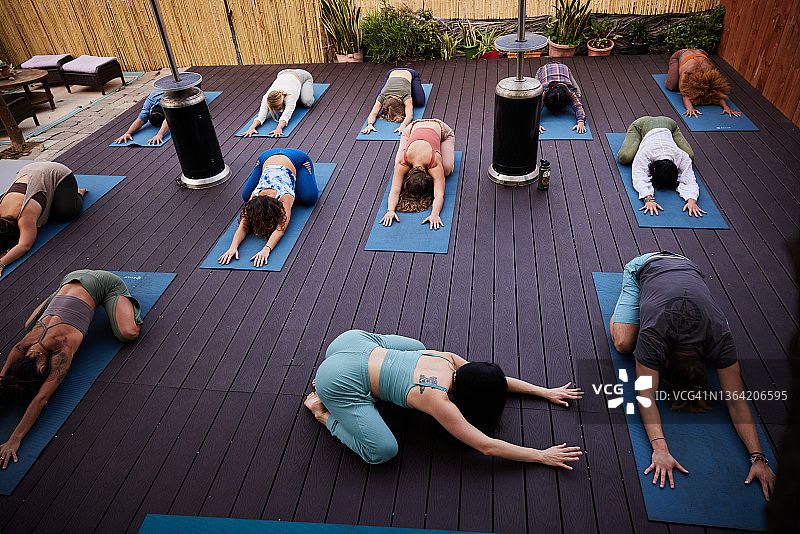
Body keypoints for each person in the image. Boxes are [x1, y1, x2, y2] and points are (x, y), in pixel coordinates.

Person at [608, 252, 776, 499]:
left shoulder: (721, 338)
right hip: (644, 266)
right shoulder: (654, 337)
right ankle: (629, 309)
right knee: (624, 344)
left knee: (720, 325)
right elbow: (645, 397)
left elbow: (736, 401)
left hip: (688, 266)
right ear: (665, 362)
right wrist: (660, 447)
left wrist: (759, 458)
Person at [304, 330, 584, 465]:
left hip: (349, 341)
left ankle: (339, 378)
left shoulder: (447, 359)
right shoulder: (439, 401)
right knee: (383, 451)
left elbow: (494, 383)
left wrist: (544, 391)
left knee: (418, 348)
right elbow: (486, 446)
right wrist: (541, 455)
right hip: (338, 377)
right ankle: (325, 409)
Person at [0, 270, 142, 469]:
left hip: (103, 282)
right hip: (70, 277)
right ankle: (63, 293)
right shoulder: (25, 344)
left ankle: (112, 297)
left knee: (128, 333)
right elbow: (4, 374)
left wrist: (15, 438)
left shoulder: (62, 348)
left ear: (41, 371)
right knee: (28, 325)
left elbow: (41, 398)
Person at [218, 148, 317, 267]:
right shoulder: (254, 198)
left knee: (309, 198)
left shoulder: (284, 197)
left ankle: (298, 177)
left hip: (297, 159)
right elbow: (243, 225)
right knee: (245, 196)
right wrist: (232, 247)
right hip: (266, 157)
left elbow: (280, 229)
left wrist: (266, 249)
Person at [0, 162, 87, 277]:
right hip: (30, 169)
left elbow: (24, 245)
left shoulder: (24, 216)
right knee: (47, 211)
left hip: (58, 173)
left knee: (66, 214)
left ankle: (78, 193)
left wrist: (2, 263)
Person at [616, 116, 705, 218]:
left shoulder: (682, 156)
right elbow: (639, 177)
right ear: (653, 169)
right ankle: (641, 137)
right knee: (624, 157)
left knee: (691, 156)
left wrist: (692, 200)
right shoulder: (645, 154)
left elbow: (689, 179)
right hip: (642, 124)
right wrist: (648, 198)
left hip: (669, 124)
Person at [380, 119, 455, 230]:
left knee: (446, 170)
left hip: (442, 129)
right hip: (411, 129)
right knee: (396, 166)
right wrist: (390, 210)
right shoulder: (403, 161)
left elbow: (439, 194)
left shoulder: (434, 162)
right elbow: (395, 189)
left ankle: (442, 140)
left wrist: (435, 213)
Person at [665, 48, 742, 118]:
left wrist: (726, 107)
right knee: (671, 86)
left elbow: (718, 90)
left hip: (701, 52)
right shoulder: (687, 71)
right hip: (680, 55)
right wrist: (690, 108)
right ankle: (678, 65)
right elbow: (684, 93)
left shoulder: (711, 69)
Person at [242, 69, 315, 138]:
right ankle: (298, 90)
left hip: (302, 76)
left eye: (279, 107)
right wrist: (251, 128)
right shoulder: (267, 98)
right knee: (295, 97)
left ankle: (303, 88)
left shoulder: (290, 96)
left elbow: (286, 116)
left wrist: (279, 128)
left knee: (307, 102)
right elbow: (261, 116)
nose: (278, 110)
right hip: (282, 74)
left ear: (283, 101)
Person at [360, 68, 426, 136]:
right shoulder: (382, 96)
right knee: (376, 101)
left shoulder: (405, 96)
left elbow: (409, 115)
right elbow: (373, 113)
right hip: (391, 73)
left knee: (420, 102)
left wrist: (403, 125)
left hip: (410, 73)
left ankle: (411, 83)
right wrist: (369, 124)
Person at [535, 62, 587, 134]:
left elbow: (578, 106)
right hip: (543, 69)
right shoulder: (544, 90)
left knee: (578, 95)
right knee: (535, 94)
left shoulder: (569, 91)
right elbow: (535, 108)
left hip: (564, 68)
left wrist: (581, 122)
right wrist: (535, 124)